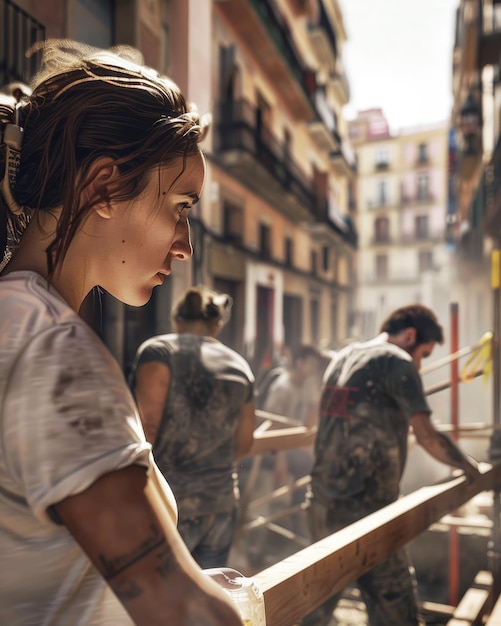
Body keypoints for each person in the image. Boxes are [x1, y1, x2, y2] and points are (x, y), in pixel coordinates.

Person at [0, 40, 244, 625]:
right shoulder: (52, 353)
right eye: (181, 207)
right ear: (105, 185)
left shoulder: (19, 324)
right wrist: (198, 600)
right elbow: (185, 616)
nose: (185, 246)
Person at [302, 305, 480, 626]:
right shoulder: (397, 362)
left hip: (321, 506)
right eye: (423, 353)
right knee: (397, 613)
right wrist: (469, 468)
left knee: (315, 607)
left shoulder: (343, 357)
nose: (420, 363)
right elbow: (427, 435)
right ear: (410, 336)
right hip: (368, 516)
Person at [130, 285, 256, 569]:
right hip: (221, 504)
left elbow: (147, 428)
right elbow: (245, 443)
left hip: (168, 504)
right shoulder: (240, 366)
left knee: (161, 597)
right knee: (208, 595)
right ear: (217, 325)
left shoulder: (158, 351)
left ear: (177, 321)